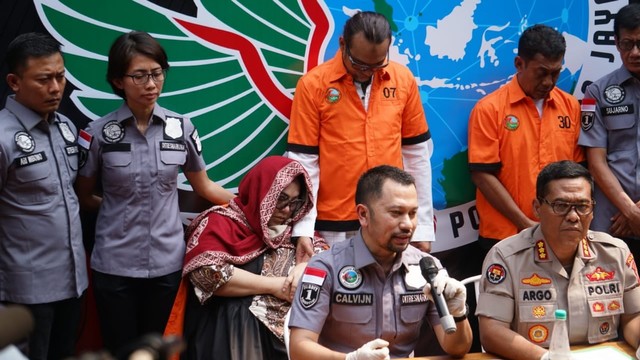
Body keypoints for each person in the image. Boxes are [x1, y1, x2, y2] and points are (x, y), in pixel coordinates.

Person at [74, 31, 235, 356]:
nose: (151, 84)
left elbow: (204, 186)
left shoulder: (182, 129)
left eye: (157, 73)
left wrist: (251, 207)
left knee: (158, 349)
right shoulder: (98, 133)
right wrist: (118, 210)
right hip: (114, 265)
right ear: (118, 81)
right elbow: (83, 196)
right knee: (120, 350)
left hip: (167, 263)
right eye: (140, 75)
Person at [286, 11, 435, 253]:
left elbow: (417, 156)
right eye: (360, 64)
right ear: (343, 44)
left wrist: (424, 227)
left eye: (378, 65)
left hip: (391, 221)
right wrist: (304, 228)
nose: (368, 72)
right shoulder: (313, 85)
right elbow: (304, 162)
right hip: (334, 225)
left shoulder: (403, 80)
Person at [288, 165, 472, 359]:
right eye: (396, 213)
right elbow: (299, 348)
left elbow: (457, 349)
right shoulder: (326, 267)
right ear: (363, 215)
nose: (408, 224)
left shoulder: (428, 268)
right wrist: (351, 359)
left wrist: (458, 313)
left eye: (412, 213)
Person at [476, 160, 640, 360]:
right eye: (561, 205)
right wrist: (547, 358)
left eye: (582, 206)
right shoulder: (506, 257)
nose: (573, 216)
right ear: (537, 208)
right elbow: (492, 332)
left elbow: (634, 317)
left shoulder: (615, 253)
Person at [176, 156, 327, 360]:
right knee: (235, 310)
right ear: (261, 191)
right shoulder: (220, 223)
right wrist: (276, 286)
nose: (286, 210)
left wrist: (304, 266)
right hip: (230, 333)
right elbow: (206, 273)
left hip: (290, 336)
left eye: (295, 202)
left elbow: (328, 261)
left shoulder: (299, 233)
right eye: (281, 198)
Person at [0, 32, 87, 360]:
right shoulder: (3, 138)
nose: (55, 88)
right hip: (24, 291)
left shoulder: (65, 126)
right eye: (43, 79)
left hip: (73, 282)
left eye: (60, 76)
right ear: (14, 81)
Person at [468, 24, 584, 253]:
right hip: (504, 237)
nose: (549, 82)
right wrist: (526, 224)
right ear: (519, 64)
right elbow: (482, 175)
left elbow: (577, 171)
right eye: (541, 73)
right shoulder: (489, 109)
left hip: (560, 235)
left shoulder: (570, 106)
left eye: (556, 73)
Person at [578, 3, 640, 261]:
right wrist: (630, 212)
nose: (634, 52)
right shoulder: (596, 92)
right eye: (627, 44)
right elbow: (596, 161)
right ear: (615, 43)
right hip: (613, 223)